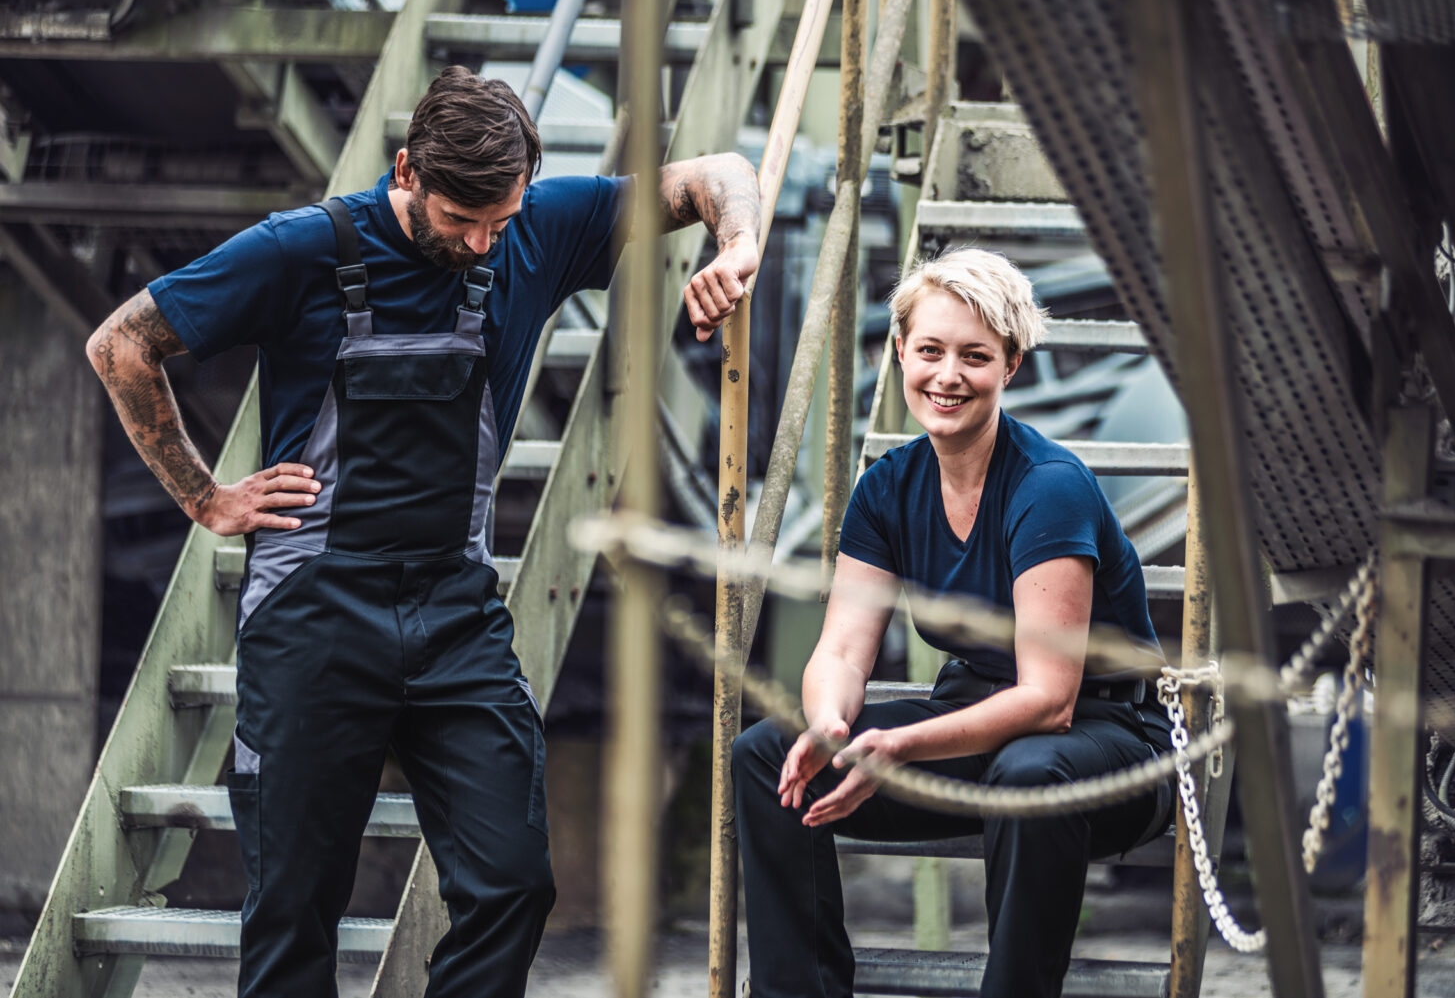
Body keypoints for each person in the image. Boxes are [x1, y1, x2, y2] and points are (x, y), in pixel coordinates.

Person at [86, 65, 761, 998]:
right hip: (313, 612)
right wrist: (207, 498)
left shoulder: (538, 230)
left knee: (513, 881)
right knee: (292, 910)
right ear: (407, 171)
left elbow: (720, 172)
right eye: (462, 223)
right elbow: (121, 342)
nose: (486, 243)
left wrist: (736, 245)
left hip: (454, 611)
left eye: (503, 220)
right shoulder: (299, 251)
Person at [732, 248, 1174, 998]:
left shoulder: (1050, 487)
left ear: (1013, 365)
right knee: (765, 752)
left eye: (975, 356)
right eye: (929, 350)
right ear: (899, 351)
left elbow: (1049, 699)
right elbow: (841, 646)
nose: (947, 375)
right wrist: (832, 727)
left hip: (1109, 744)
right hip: (973, 723)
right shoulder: (886, 487)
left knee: (1028, 769)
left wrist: (896, 745)